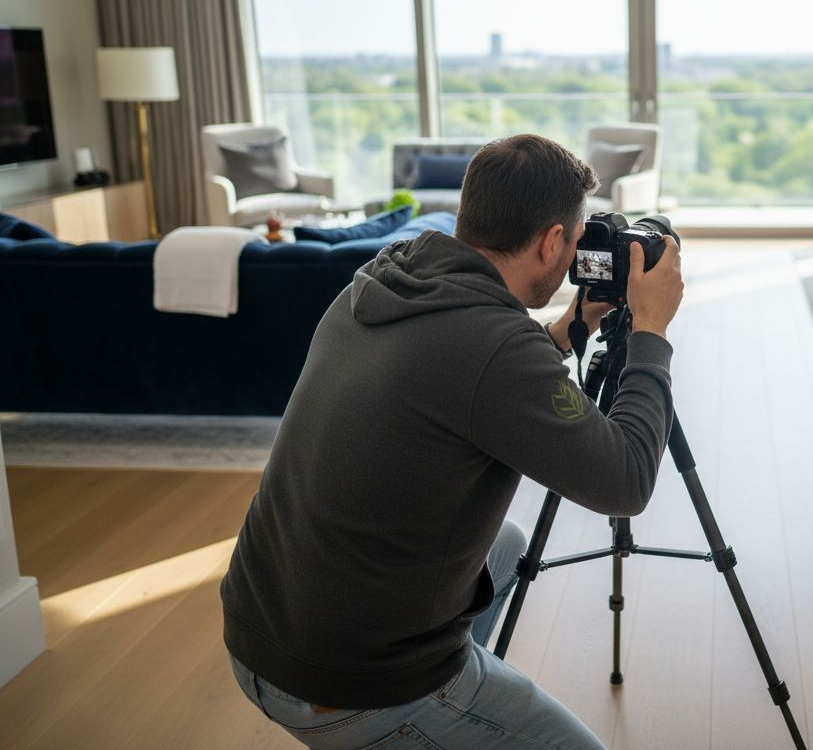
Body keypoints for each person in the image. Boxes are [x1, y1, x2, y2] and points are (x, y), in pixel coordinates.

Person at [220, 133, 683, 749]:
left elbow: (466, 377)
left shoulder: (385, 277)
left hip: (260, 623)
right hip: (345, 681)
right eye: (574, 240)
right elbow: (625, 483)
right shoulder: (493, 345)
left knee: (506, 545)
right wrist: (651, 331)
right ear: (551, 242)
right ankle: (424, 712)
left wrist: (572, 327)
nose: (575, 254)